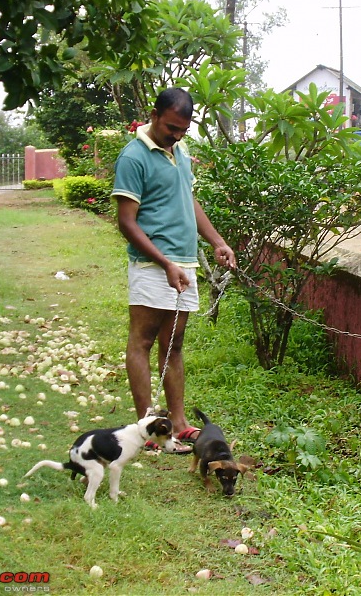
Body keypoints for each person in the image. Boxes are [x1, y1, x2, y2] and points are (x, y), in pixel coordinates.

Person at [112, 87, 236, 453]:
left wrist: (216, 241)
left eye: (183, 129)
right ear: (154, 115)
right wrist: (164, 263)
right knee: (144, 341)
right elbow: (126, 222)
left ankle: (178, 423)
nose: (177, 135)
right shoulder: (133, 157)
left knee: (173, 345)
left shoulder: (180, 151)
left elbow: (188, 198)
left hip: (183, 263)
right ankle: (148, 429)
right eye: (171, 128)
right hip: (153, 265)